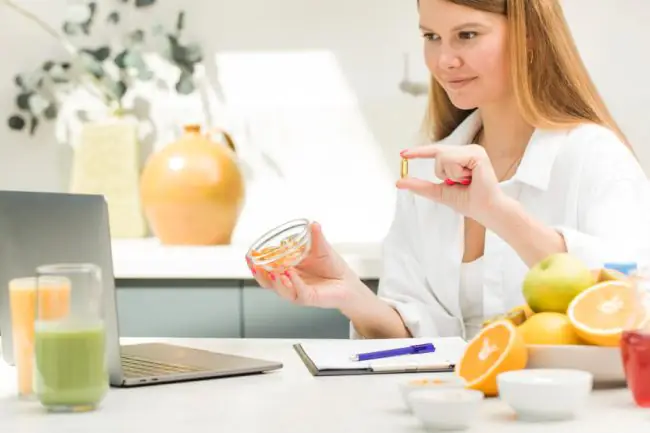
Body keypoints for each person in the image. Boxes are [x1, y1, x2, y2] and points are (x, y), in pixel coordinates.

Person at [246, 0, 650, 341]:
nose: (444, 60)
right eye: (431, 37)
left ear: (529, 35)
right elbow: (417, 342)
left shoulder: (595, 159)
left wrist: (498, 213)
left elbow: (623, 303)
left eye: (468, 35)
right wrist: (348, 292)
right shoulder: (428, 170)